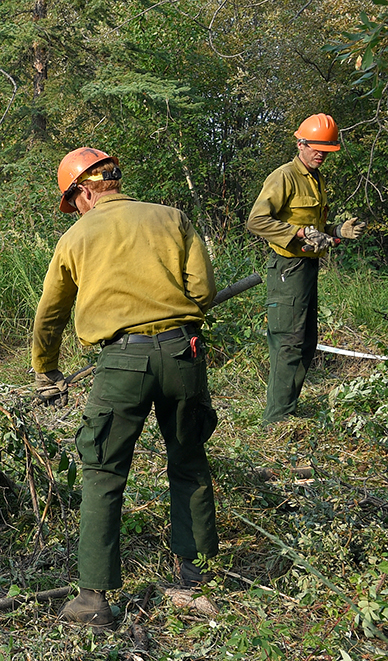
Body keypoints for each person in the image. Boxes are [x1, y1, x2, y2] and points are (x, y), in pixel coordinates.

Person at [32, 147, 219, 630]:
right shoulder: (172, 218)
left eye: (71, 201)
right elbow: (202, 292)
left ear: (85, 191)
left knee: (103, 472)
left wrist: (45, 369)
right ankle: (194, 578)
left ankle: (93, 600)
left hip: (122, 363)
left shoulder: (77, 237)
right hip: (184, 356)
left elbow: (50, 313)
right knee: (189, 461)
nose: (73, 210)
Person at [245, 114, 367, 424]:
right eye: (317, 148)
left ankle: (288, 410)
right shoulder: (283, 176)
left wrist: (337, 231)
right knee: (289, 341)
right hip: (287, 267)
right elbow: (256, 221)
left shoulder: (317, 179)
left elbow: (316, 228)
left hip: (308, 268)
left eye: (327, 150)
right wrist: (298, 234)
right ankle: (276, 420)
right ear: (301, 143)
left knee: (307, 341)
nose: (321, 155)